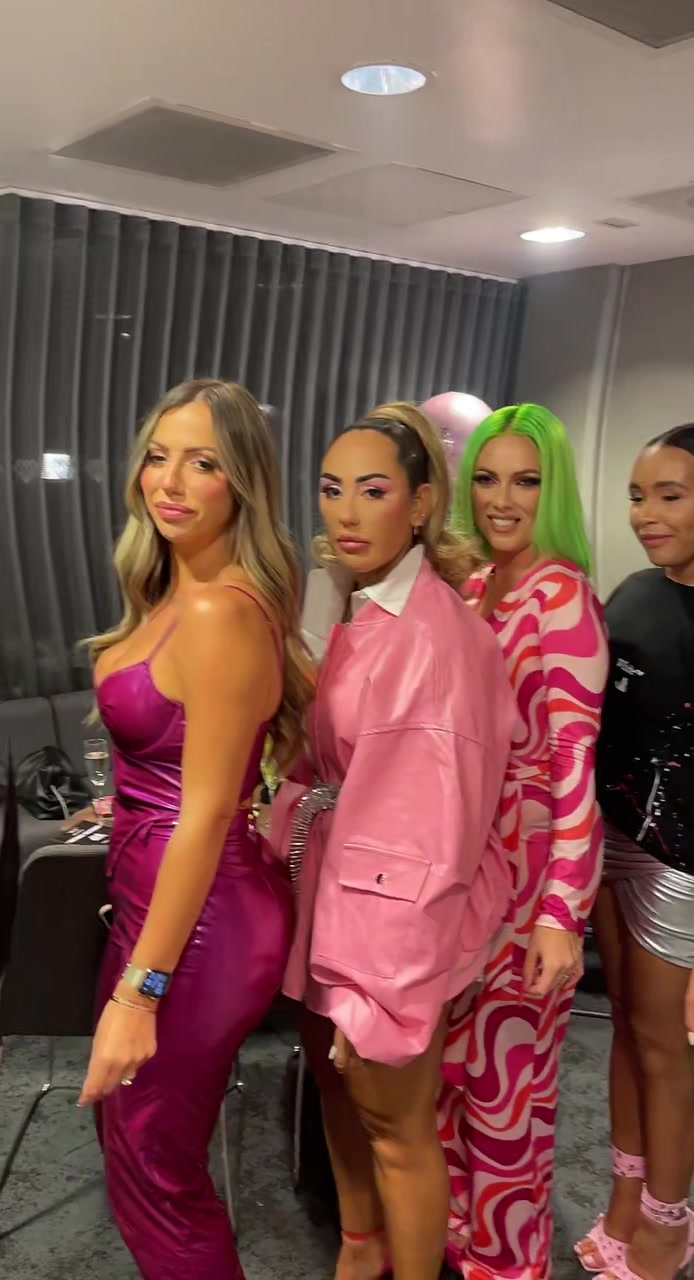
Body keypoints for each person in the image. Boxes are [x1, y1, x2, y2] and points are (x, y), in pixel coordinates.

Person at [268, 402, 518, 1280]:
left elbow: (429, 840)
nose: (346, 512)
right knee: (342, 1100)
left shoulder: (433, 639)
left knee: (397, 1129)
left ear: (420, 504)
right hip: (333, 892)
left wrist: (369, 985)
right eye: (331, 489)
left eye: (372, 491)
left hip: (384, 927)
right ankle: (359, 1249)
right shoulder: (360, 604)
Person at [78, 379, 313, 1279]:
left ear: (241, 483)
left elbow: (208, 811)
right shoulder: (179, 595)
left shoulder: (221, 611)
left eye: (203, 463)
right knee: (135, 1147)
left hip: (204, 919)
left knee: (154, 1164)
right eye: (158, 456)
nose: (170, 482)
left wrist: (140, 995)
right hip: (160, 901)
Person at [441, 403, 609, 1280]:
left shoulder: (563, 595)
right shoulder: (476, 588)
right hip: (462, 874)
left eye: (526, 480)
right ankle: (460, 1247)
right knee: (453, 1086)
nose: (502, 499)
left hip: (531, 882)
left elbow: (575, 766)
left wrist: (561, 916)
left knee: (508, 1102)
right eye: (487, 478)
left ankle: (508, 1266)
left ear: (555, 492)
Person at [575, 422, 694, 1280]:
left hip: (686, 867)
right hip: (611, 844)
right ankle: (625, 1200)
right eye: (637, 496)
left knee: (666, 1048)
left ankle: (669, 1222)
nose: (645, 514)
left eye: (670, 494)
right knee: (626, 1031)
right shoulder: (629, 595)